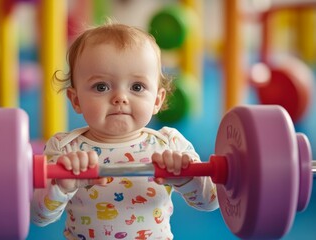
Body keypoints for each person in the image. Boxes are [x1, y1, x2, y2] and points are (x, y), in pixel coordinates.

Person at [31, 21, 218, 240]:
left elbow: (211, 202)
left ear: (157, 100)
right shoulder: (64, 149)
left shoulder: (170, 144)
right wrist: (61, 186)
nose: (120, 98)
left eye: (137, 87)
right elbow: (39, 217)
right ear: (76, 100)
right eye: (101, 87)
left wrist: (186, 179)